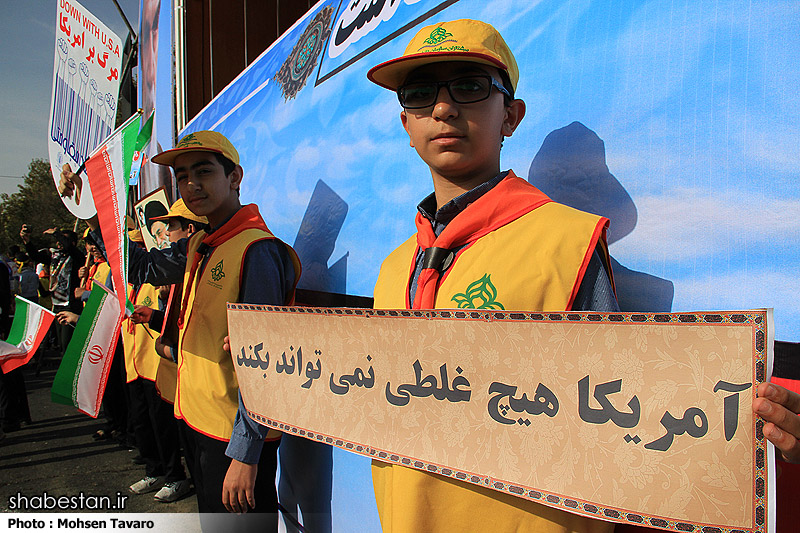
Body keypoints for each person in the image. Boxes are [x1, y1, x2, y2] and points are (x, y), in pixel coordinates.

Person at [366, 19, 618, 532]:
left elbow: (625, 416)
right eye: (419, 94)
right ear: (406, 125)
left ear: (511, 115)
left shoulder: (568, 243)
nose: (442, 108)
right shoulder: (393, 269)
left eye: (470, 85)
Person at [59, 131, 301, 527]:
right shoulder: (200, 243)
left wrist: (245, 454)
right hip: (197, 422)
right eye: (182, 175)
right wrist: (90, 206)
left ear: (235, 177)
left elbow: (265, 364)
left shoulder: (256, 250)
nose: (191, 184)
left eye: (203, 171)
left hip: (232, 437)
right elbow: (137, 266)